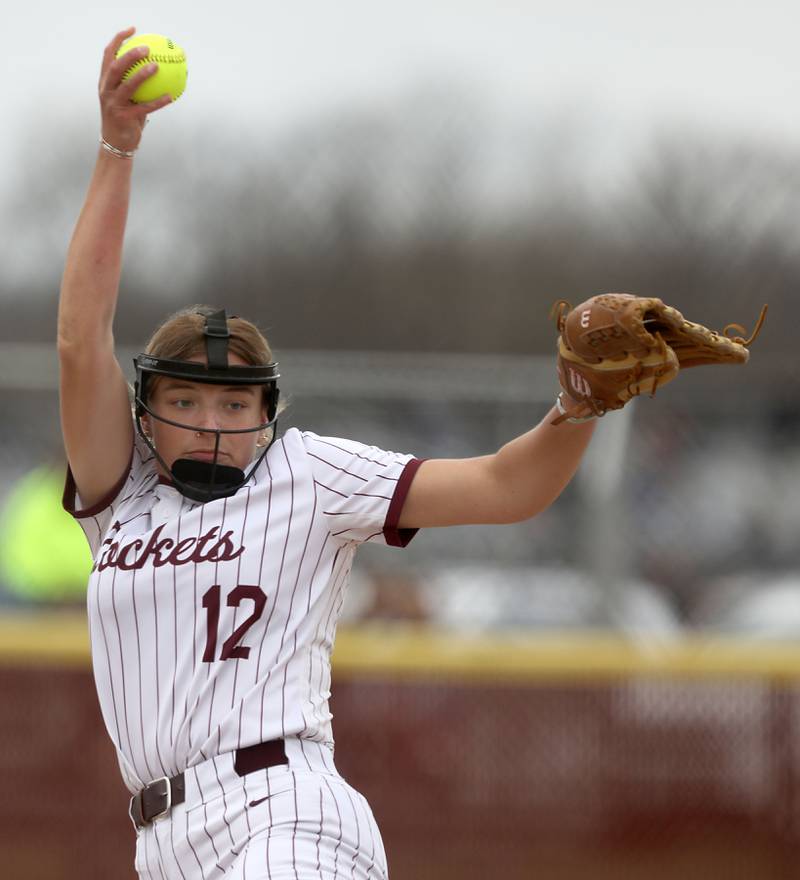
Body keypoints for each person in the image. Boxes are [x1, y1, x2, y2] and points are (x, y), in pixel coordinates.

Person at [58, 28, 597, 880]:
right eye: (184, 399)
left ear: (266, 415)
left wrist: (579, 405)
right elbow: (80, 342)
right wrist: (117, 144)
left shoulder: (306, 473)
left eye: (234, 402)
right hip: (163, 845)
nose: (209, 420)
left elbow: (505, 484)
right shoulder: (120, 497)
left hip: (288, 813)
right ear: (147, 416)